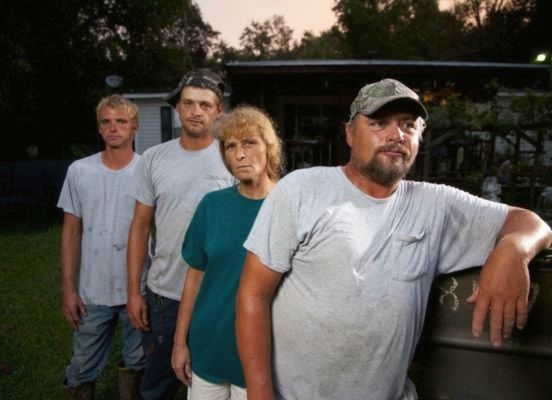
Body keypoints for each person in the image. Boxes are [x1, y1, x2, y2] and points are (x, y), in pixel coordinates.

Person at [236, 78, 552, 400]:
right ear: (349, 133)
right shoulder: (301, 190)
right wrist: (260, 395)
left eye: (408, 125)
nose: (395, 134)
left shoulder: (437, 205)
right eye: (378, 123)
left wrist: (513, 249)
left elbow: (531, 222)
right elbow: (252, 296)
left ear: (420, 137)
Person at [126, 68, 235, 400]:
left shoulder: (233, 157)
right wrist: (134, 292)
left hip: (218, 294)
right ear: (177, 108)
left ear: (219, 111)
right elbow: (140, 227)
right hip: (166, 292)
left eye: (205, 104)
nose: (196, 111)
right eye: (188, 103)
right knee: (157, 386)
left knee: (209, 383)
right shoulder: (154, 159)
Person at [171, 106, 284, 399]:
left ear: (269, 147)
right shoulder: (212, 205)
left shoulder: (289, 208)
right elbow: (194, 277)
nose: (239, 154)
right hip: (209, 348)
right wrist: (179, 343)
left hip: (264, 357)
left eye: (249, 143)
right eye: (230, 146)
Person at [58, 94, 149, 400]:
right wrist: (69, 289)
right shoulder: (79, 171)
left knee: (137, 362)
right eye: (106, 122)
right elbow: (71, 231)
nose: (113, 128)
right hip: (92, 290)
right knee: (82, 366)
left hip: (138, 288)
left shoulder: (148, 170)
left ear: (134, 126)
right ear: (98, 128)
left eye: (121, 121)